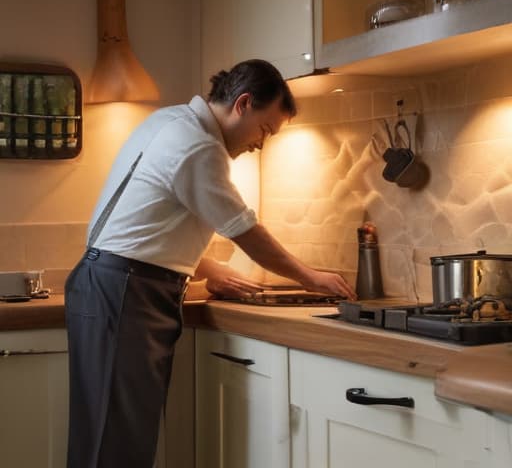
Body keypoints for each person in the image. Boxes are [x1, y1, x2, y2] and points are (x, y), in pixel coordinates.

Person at [64, 59, 356, 468]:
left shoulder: (172, 121)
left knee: (106, 437)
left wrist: (209, 269)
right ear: (243, 103)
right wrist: (312, 278)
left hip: (111, 283)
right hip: (127, 292)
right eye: (265, 129)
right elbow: (246, 232)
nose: (260, 142)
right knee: (117, 444)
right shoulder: (199, 146)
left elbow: (150, 223)